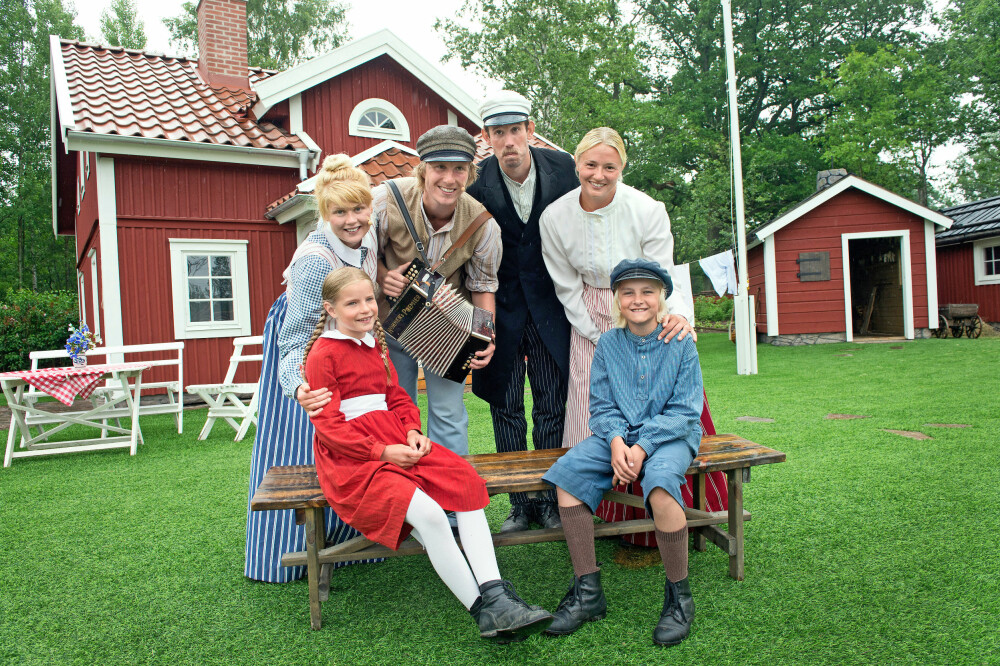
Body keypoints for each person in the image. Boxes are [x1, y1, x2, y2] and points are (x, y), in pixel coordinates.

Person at [303, 267, 553, 642]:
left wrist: (412, 431)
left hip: (395, 439)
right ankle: (482, 610)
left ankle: (496, 592)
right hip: (354, 457)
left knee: (466, 484)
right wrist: (382, 452)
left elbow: (397, 397)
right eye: (352, 303)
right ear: (331, 308)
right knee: (431, 515)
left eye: (369, 299)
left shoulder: (376, 341)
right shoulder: (324, 353)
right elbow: (329, 427)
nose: (365, 309)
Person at [541, 258, 703, 646]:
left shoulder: (680, 342)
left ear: (661, 296)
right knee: (568, 476)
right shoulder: (609, 344)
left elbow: (685, 411)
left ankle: (679, 597)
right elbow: (601, 405)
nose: (638, 299)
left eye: (647, 291)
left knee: (661, 486)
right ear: (617, 299)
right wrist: (616, 442)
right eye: (628, 292)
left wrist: (641, 448)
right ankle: (587, 592)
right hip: (619, 435)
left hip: (670, 436)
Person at [244, 155, 379, 582]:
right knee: (301, 448)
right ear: (324, 214)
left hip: (345, 350)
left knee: (351, 441)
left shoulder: (367, 244)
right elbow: (294, 338)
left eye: (358, 209)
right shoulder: (315, 260)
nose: (351, 219)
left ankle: (351, 546)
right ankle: (283, 559)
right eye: (340, 212)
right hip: (306, 354)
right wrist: (298, 387)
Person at [466, 91, 579, 533]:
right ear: (487, 138)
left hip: (553, 306)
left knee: (553, 404)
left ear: (530, 131)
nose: (509, 140)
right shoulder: (475, 186)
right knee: (505, 406)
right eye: (499, 133)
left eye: (516, 130)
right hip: (501, 310)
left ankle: (550, 500)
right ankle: (519, 505)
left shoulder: (566, 169)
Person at [376, 126, 501, 463]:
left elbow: (483, 285)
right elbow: (358, 256)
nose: (450, 178)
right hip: (391, 322)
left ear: (469, 173)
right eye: (440, 167)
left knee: (448, 413)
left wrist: (486, 334)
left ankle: (453, 500)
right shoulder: (385, 200)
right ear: (423, 170)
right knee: (396, 411)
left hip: (445, 330)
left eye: (459, 168)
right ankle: (406, 497)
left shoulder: (483, 224)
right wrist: (383, 276)